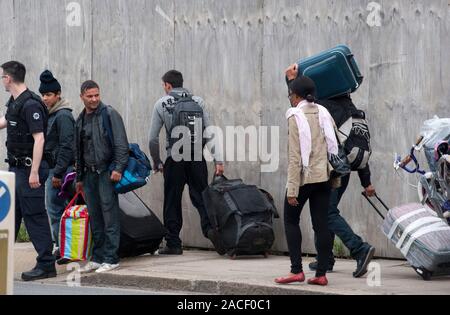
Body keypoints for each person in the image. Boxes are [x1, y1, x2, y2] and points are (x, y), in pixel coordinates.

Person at [285, 64, 376, 278]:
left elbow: (299, 105)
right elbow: (353, 144)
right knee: (323, 215)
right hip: (341, 169)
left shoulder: (325, 107)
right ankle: (326, 260)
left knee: (326, 215)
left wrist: (290, 80)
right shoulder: (351, 109)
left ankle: (359, 249)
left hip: (324, 170)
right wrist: (366, 181)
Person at [149, 70, 224, 255]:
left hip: (174, 158)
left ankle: (173, 243)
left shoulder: (161, 104)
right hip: (197, 156)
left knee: (172, 200)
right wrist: (218, 160)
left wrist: (157, 162)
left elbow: (153, 139)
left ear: (167, 85)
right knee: (202, 198)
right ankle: (213, 232)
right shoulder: (198, 102)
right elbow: (210, 132)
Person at [275, 76, 337, 286]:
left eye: (291, 94)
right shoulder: (324, 112)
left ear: (297, 96)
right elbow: (333, 147)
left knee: (291, 220)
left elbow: (295, 156)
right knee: (321, 224)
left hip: (303, 179)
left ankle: (296, 271)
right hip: (323, 178)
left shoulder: (295, 116)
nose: (290, 98)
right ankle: (321, 274)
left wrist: (292, 189)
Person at [0, 61, 56, 281]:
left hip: (28, 170)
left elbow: (39, 139)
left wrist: (34, 173)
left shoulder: (31, 104)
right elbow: (6, 121)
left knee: (34, 216)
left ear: (8, 78)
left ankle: (46, 264)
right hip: (15, 169)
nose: (2, 80)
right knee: (8, 217)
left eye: (2, 76)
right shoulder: (15, 102)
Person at [75, 80, 129, 273]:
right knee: (95, 217)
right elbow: (78, 151)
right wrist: (79, 178)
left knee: (110, 216)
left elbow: (122, 144)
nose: (94, 99)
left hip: (106, 172)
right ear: (82, 96)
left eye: (97, 95)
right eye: (90, 96)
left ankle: (111, 258)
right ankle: (97, 257)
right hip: (88, 175)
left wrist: (118, 168)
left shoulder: (109, 113)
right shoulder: (80, 119)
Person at [39, 70, 75, 261]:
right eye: (43, 95)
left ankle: (65, 249)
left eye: (48, 95)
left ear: (58, 94)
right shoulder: (51, 114)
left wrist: (58, 173)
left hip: (61, 170)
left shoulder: (62, 116)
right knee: (56, 210)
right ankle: (61, 247)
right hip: (54, 169)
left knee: (57, 210)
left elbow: (67, 146)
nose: (45, 98)